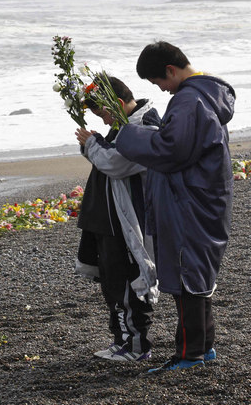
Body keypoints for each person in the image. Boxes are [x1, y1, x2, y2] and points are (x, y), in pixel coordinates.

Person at [115, 41, 235, 372]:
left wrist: (125, 134)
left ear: (171, 70)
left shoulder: (189, 100)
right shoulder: (204, 95)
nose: (161, 90)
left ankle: (189, 354)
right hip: (204, 198)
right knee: (196, 276)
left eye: (158, 83)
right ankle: (203, 349)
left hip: (190, 203)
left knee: (186, 278)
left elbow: (171, 149)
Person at [75, 76, 161, 362]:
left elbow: (117, 164)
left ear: (119, 103)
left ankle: (136, 346)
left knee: (126, 278)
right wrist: (94, 146)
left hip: (129, 219)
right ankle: (122, 340)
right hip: (111, 218)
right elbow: (110, 159)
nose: (101, 120)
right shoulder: (123, 126)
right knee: (111, 279)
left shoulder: (144, 125)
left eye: (102, 113)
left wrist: (93, 144)